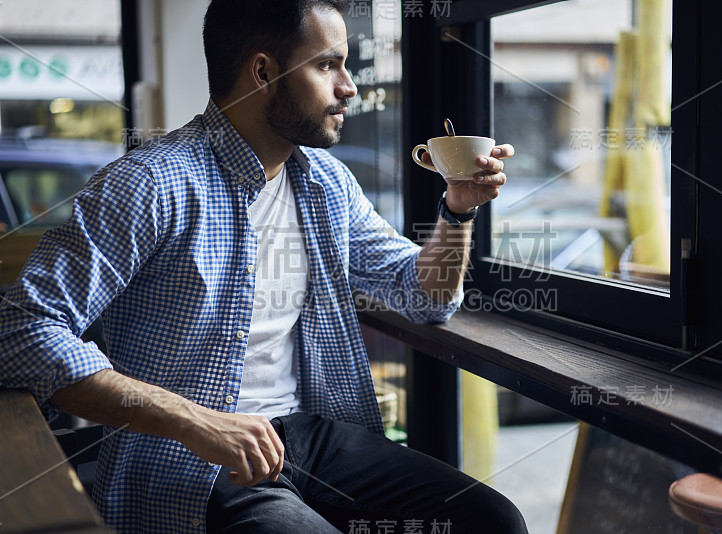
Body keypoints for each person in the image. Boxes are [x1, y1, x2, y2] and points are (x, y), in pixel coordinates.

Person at [0, 1, 526, 533]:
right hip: (191, 456)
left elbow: (426, 298)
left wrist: (458, 208)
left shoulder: (327, 182)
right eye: (327, 65)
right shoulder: (150, 184)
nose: (350, 87)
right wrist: (194, 420)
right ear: (263, 72)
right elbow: (19, 330)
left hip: (310, 436)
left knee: (492, 521)